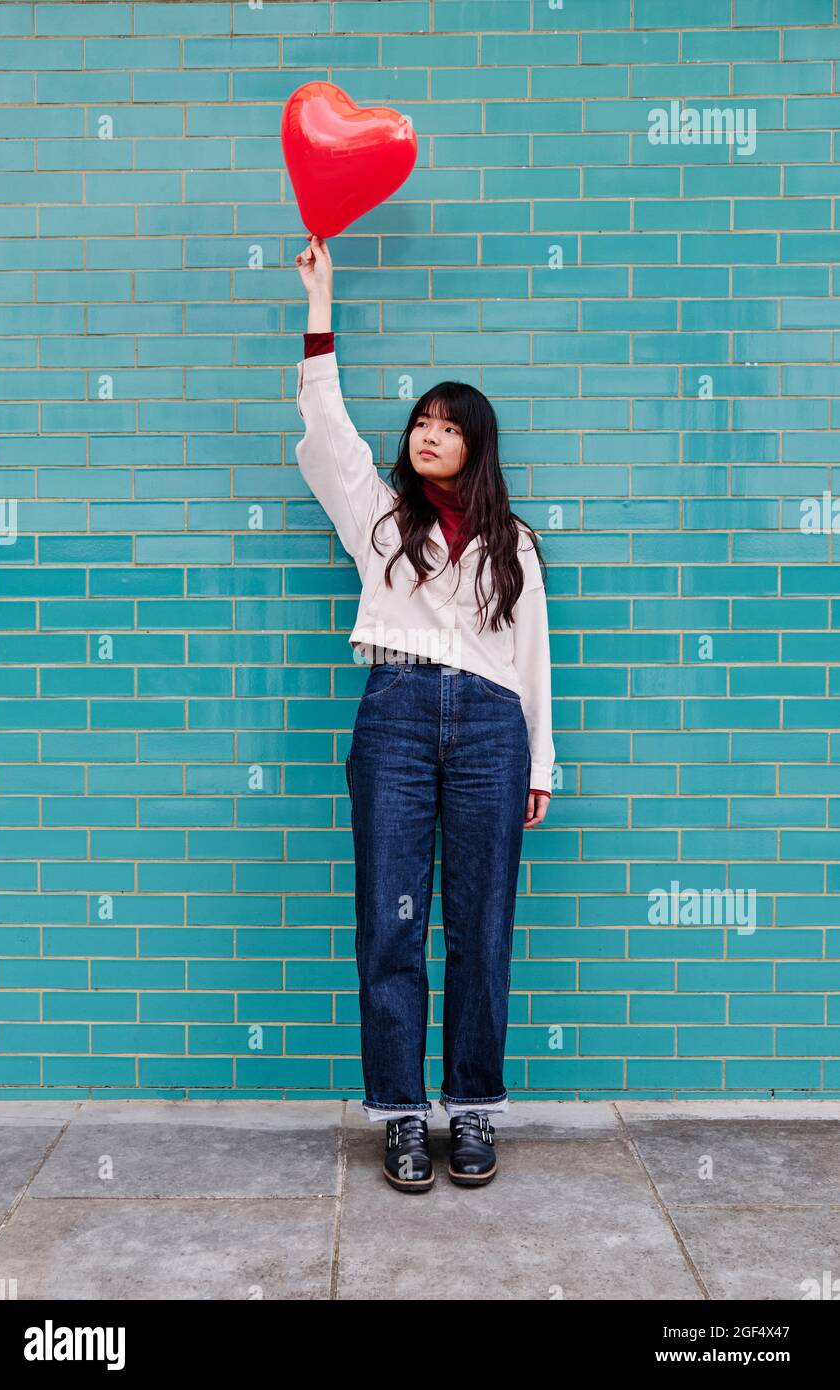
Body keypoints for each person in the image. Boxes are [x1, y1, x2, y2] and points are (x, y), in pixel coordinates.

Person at [294, 233, 554, 1193]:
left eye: (448, 425)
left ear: (476, 444)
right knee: (391, 921)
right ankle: (402, 1114)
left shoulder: (510, 543)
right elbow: (327, 435)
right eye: (421, 421)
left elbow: (533, 659)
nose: (427, 433)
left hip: (492, 727)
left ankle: (473, 1111)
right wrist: (320, 308)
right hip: (396, 715)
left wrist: (539, 763)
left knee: (481, 924)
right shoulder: (375, 519)